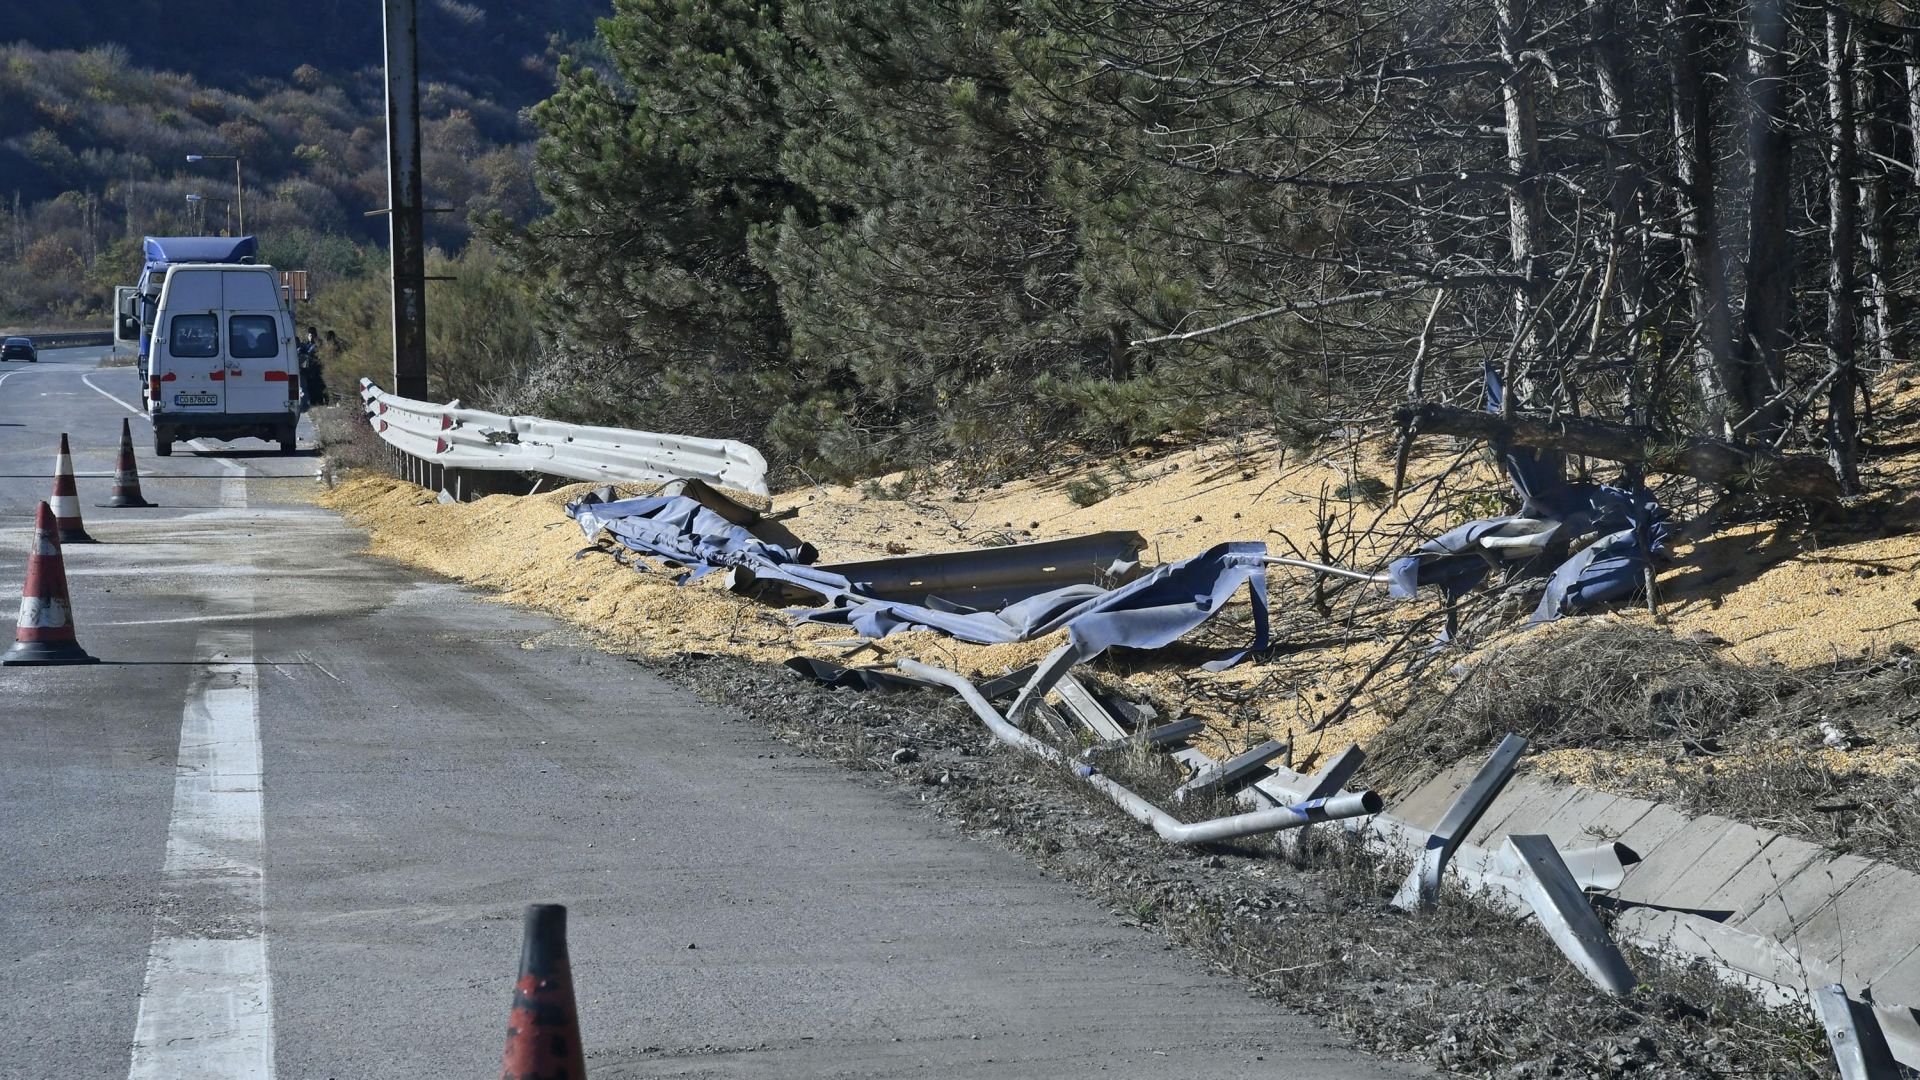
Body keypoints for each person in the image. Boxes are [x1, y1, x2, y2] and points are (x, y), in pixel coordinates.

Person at [298, 326, 329, 408]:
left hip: (318, 370)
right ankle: (313, 403)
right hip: (309, 370)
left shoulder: (319, 344)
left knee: (319, 388)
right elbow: (300, 353)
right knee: (310, 388)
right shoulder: (305, 345)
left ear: (316, 335)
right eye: (310, 334)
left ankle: (321, 402)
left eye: (313, 334)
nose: (311, 336)